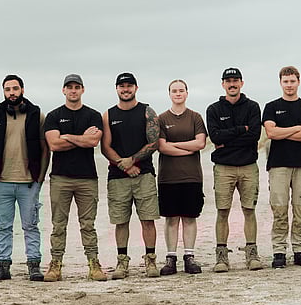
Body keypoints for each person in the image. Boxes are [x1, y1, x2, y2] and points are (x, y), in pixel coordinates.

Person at [43, 74, 107, 282]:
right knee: (58, 225)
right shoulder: (53, 116)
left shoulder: (93, 115)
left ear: (82, 90)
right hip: (60, 178)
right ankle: (55, 264)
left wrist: (68, 136)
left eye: (76, 87)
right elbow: (54, 144)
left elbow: (93, 142)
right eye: (69, 87)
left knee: (88, 224)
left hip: (87, 178)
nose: (73, 90)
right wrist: (82, 138)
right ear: (63, 90)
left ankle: (93, 263)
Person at [0, 75, 50, 281]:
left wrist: (40, 178)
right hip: (1, 181)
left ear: (22, 89)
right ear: (3, 92)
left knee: (30, 225)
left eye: (15, 88)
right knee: (3, 226)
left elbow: (45, 148)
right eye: (7, 89)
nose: (11, 93)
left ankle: (34, 266)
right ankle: (3, 266)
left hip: (29, 181)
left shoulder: (37, 115)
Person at [102, 72, 160, 279]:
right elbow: (105, 147)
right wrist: (125, 166)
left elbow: (154, 142)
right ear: (116, 89)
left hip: (144, 175)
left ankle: (151, 260)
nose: (125, 89)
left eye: (129, 85)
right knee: (121, 221)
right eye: (122, 86)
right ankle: (122, 262)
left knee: (148, 219)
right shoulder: (108, 115)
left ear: (136, 88)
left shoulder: (147, 112)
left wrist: (133, 160)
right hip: (118, 177)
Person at [206, 67, 263, 272]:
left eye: (235, 80)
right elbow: (215, 137)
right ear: (223, 84)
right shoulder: (213, 109)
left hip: (248, 166)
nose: (232, 84)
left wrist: (227, 140)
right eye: (228, 81)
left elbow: (254, 136)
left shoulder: (253, 107)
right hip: (223, 168)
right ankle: (221, 257)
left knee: (249, 210)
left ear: (241, 83)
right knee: (222, 211)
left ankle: (252, 254)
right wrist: (240, 130)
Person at [262, 66, 301, 268]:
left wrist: (282, 132)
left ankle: (300, 250)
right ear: (280, 83)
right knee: (279, 209)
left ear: (298, 82)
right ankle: (279, 252)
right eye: (285, 81)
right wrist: (296, 128)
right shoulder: (271, 107)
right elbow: (271, 133)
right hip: (278, 164)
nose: (289, 85)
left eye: (292, 81)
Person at [157, 79, 207, 275]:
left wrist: (174, 145)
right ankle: (171, 258)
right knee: (171, 219)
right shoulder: (161, 118)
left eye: (181, 90)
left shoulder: (195, 117)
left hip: (191, 176)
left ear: (187, 93)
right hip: (168, 177)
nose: (178, 94)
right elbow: (162, 147)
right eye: (174, 91)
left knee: (189, 217)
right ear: (169, 94)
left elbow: (200, 143)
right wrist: (187, 148)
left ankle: (189, 256)